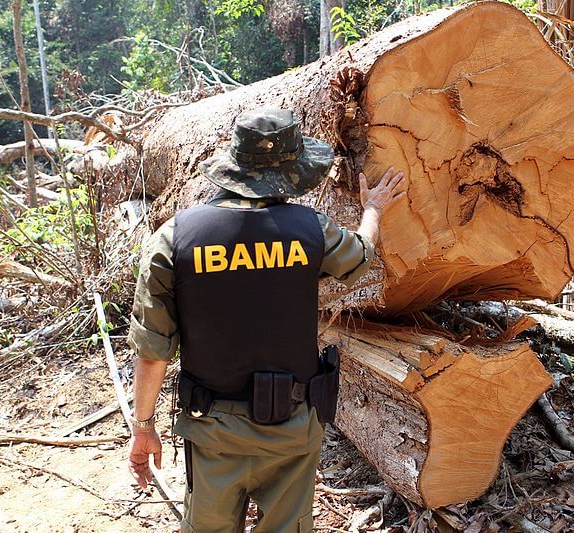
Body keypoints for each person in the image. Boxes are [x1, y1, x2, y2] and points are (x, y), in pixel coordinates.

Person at [126, 108, 405, 532]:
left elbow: (152, 352)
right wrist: (373, 209)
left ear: (234, 166)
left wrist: (143, 427)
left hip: (212, 430)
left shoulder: (174, 239)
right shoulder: (311, 231)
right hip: (291, 427)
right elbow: (359, 257)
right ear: (293, 172)